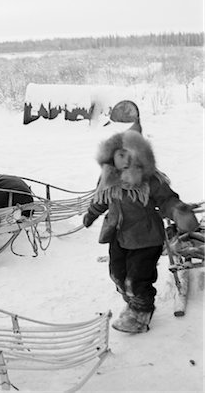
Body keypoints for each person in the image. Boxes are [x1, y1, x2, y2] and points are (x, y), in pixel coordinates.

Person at [83, 129, 198, 333]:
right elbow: (101, 199)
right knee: (117, 274)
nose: (125, 165)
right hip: (118, 235)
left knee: (137, 279)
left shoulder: (150, 181)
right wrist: (91, 214)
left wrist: (179, 212)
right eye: (120, 160)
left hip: (146, 238)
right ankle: (133, 300)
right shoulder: (109, 178)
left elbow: (167, 200)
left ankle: (141, 313)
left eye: (130, 161)